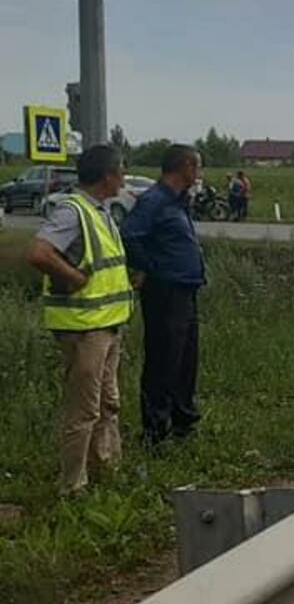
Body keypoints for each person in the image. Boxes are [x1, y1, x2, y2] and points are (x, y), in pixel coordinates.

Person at [25, 145, 134, 493]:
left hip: (107, 324)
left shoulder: (99, 211)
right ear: (107, 176)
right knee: (85, 410)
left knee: (108, 404)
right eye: (121, 172)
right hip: (85, 328)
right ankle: (72, 487)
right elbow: (39, 253)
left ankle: (106, 472)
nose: (124, 178)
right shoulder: (72, 212)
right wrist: (73, 278)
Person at [122, 144, 207, 446]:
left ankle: (184, 421)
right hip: (165, 291)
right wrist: (151, 267)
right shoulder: (154, 201)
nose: (199, 173)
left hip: (186, 289)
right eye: (197, 166)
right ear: (184, 166)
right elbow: (130, 235)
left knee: (185, 358)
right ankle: (155, 431)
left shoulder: (179, 201)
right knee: (163, 359)